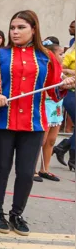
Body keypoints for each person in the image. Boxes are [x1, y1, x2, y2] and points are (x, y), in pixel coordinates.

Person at [0, 10, 74, 236]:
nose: (15, 32)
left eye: (21, 27)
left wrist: (63, 86)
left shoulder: (47, 57)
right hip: (4, 122)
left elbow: (54, 90)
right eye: (13, 28)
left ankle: (17, 214)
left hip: (34, 124)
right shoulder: (0, 54)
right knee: (1, 169)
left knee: (26, 171)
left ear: (33, 29)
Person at [35, 38, 65, 182]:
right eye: (60, 54)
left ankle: (45, 169)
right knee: (41, 139)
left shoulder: (61, 72)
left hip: (57, 107)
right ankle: (32, 169)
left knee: (51, 140)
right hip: (45, 106)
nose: (63, 57)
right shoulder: (46, 71)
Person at [54, 42, 75, 170]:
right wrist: (70, 71)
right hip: (70, 92)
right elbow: (59, 68)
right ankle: (71, 157)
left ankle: (62, 147)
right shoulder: (71, 53)